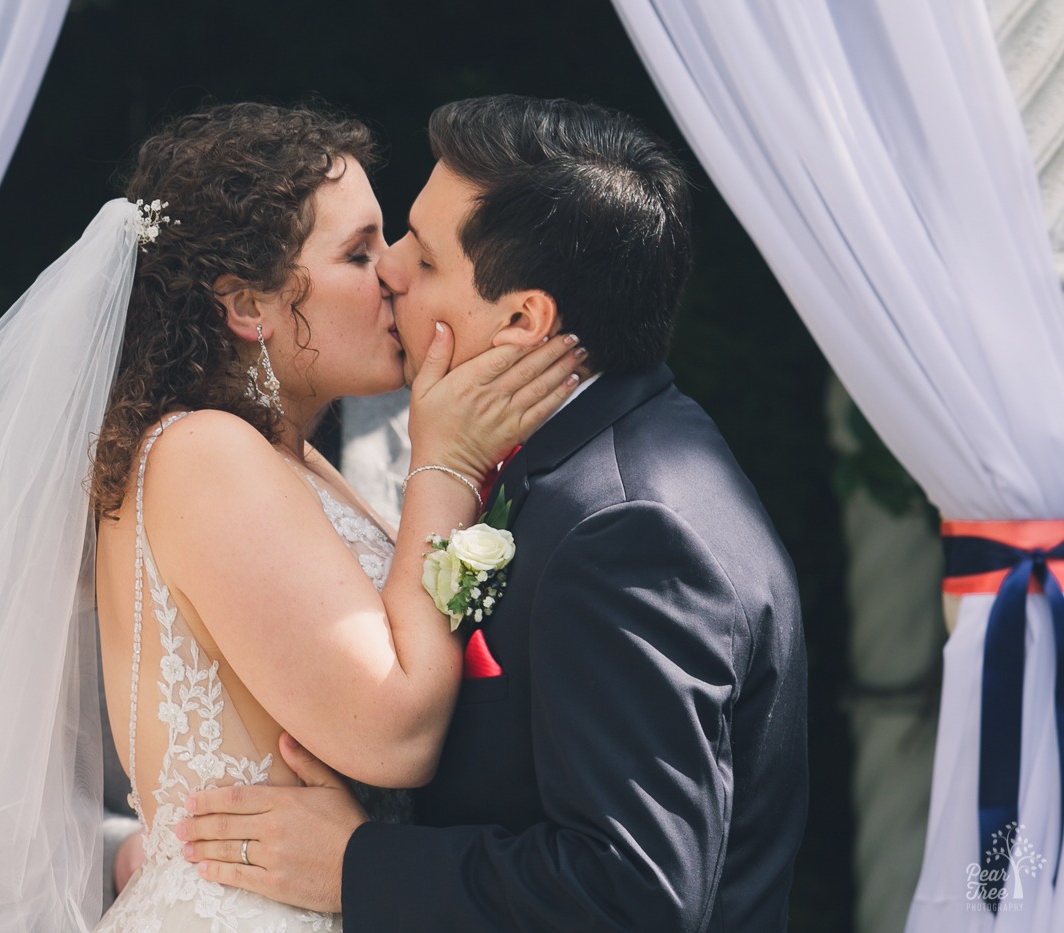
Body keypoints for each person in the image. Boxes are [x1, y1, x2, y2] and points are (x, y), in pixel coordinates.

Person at [0, 101, 583, 932]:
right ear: (248, 306)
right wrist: (445, 464)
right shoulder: (204, 454)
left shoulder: (285, 459)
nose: (395, 270)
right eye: (359, 252)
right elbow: (392, 733)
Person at [178, 95, 809, 931]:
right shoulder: (588, 460)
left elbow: (633, 895)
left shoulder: (627, 528)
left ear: (522, 319)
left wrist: (357, 865)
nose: (391, 270)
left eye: (423, 257)